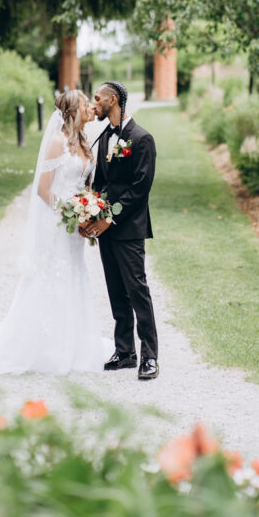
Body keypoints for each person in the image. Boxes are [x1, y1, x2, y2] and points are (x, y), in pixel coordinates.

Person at [0, 90, 105, 375]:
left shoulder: (85, 142)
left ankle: (73, 343)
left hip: (76, 228)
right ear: (72, 112)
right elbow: (43, 189)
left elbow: (85, 183)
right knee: (52, 277)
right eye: (85, 104)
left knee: (75, 274)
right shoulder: (57, 142)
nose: (90, 107)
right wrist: (70, 213)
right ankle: (42, 347)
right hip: (59, 224)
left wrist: (88, 211)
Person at [82, 81, 159, 381]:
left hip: (129, 229)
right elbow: (101, 182)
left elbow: (140, 189)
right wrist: (90, 213)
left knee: (137, 290)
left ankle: (150, 356)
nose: (94, 103)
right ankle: (125, 351)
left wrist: (110, 218)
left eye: (98, 98)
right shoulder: (103, 137)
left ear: (113, 100)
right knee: (116, 290)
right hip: (106, 230)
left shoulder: (142, 139)